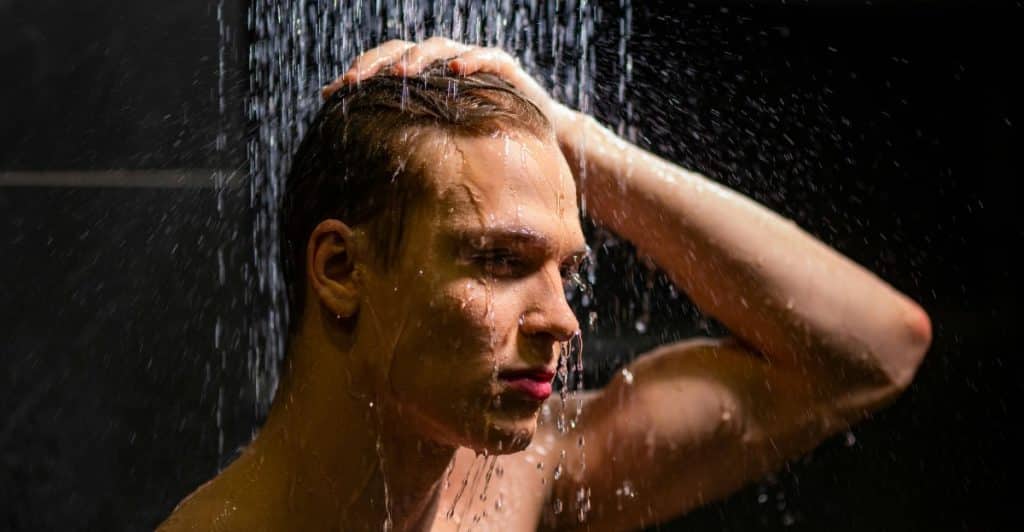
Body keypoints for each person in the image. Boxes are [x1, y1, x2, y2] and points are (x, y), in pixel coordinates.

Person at [158, 38, 932, 531]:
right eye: (498, 261)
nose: (562, 320)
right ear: (341, 269)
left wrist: (573, 139)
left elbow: (874, 349)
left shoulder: (519, 483)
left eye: (565, 269)